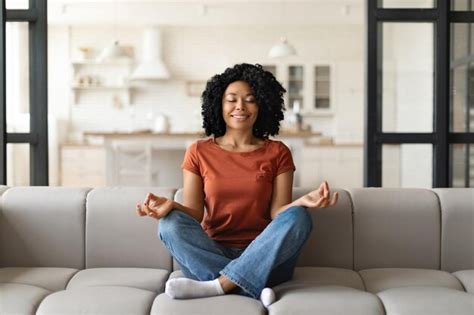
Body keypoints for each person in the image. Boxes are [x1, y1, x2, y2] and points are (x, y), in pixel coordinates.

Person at [136, 63, 338, 307]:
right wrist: (171, 206)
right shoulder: (198, 152)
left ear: (262, 105)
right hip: (212, 252)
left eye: (250, 100)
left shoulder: (278, 152)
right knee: (169, 224)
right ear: (219, 105)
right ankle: (249, 287)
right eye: (231, 99)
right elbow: (195, 214)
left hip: (266, 255)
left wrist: (302, 202)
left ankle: (217, 285)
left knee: (300, 217)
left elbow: (278, 213)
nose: (240, 107)